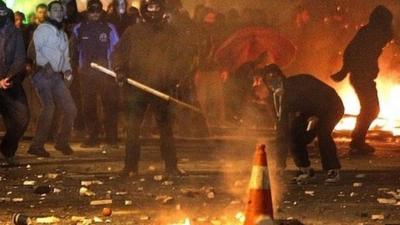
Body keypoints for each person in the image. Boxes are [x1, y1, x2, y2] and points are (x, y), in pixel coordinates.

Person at [112, 0, 185, 177]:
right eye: (149, 8)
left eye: (156, 8)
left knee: (165, 128)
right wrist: (120, 70)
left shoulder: (171, 33)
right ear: (144, 10)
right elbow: (119, 52)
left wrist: (175, 77)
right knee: (133, 128)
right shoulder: (133, 32)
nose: (153, 11)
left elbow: (181, 57)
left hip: (161, 86)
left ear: (162, 9)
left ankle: (171, 166)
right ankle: (130, 167)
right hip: (137, 86)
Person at [258, 64, 344, 184]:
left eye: (275, 77)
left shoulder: (299, 84)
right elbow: (282, 129)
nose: (273, 82)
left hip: (331, 106)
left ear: (281, 76)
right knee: (294, 134)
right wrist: (280, 165)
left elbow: (321, 97)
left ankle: (332, 170)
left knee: (323, 133)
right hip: (308, 111)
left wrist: (316, 116)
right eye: (268, 79)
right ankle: (305, 170)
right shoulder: (277, 98)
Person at [331, 5, 393, 155]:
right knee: (371, 108)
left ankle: (358, 140)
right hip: (361, 76)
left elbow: (390, 37)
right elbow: (351, 51)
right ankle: (358, 141)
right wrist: (344, 71)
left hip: (364, 76)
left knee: (370, 109)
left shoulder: (373, 32)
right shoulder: (370, 34)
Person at [28, 0, 77, 157]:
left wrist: (67, 70)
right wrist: (42, 64)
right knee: (49, 108)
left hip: (56, 77)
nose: (59, 12)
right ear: (49, 13)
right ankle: (36, 146)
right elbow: (32, 51)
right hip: (42, 75)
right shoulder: (42, 30)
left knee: (70, 109)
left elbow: (65, 56)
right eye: (55, 10)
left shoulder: (62, 34)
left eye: (60, 10)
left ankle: (62, 142)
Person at [71, 0, 120, 149]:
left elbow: (116, 49)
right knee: (89, 106)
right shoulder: (79, 28)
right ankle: (92, 136)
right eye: (92, 11)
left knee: (110, 105)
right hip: (86, 73)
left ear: (101, 11)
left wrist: (115, 69)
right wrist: (76, 68)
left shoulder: (109, 28)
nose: (95, 14)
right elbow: (73, 50)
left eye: (97, 11)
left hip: (106, 73)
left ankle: (111, 138)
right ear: (87, 12)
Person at [0, 1, 29, 166]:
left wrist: (8, 78)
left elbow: (19, 58)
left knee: (22, 118)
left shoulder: (15, 32)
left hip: (10, 84)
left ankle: (7, 150)